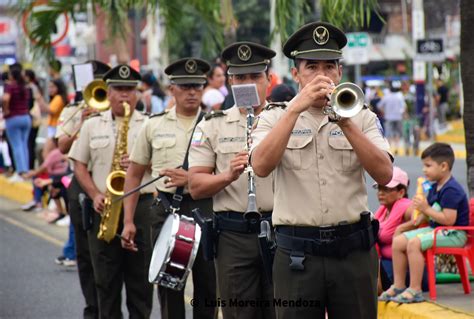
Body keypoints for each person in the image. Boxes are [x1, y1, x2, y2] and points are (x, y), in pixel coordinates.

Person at [251, 22, 393, 319]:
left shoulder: (362, 116)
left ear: (340, 72)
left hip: (352, 252)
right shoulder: (273, 117)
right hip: (297, 256)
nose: (322, 76)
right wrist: (294, 109)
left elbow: (385, 175)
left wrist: (345, 122)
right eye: (311, 67)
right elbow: (261, 166)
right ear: (296, 75)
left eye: (329, 67)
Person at [121, 57, 217, 319]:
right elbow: (134, 174)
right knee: (168, 287)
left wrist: (192, 178)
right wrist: (128, 220)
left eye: (197, 86)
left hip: (205, 208)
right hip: (166, 210)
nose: (192, 92)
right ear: (172, 88)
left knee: (209, 286)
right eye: (185, 86)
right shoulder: (154, 124)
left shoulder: (214, 123)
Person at [188, 42, 276, 319]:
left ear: (268, 79)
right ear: (229, 81)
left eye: (254, 76)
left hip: (281, 230)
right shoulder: (211, 124)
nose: (247, 83)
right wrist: (228, 175)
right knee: (239, 313)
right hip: (234, 236)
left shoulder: (285, 118)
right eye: (239, 77)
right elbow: (196, 186)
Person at [69, 64, 155, 318]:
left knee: (140, 281)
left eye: (130, 89)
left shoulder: (150, 124)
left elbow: (163, 165)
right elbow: (79, 165)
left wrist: (142, 164)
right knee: (105, 281)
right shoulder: (91, 125)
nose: (124, 95)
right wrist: (95, 193)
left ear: (137, 93)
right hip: (104, 205)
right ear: (108, 92)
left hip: (140, 207)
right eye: (119, 89)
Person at [55, 59, 110, 319]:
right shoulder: (73, 110)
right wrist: (83, 121)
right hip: (82, 181)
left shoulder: (118, 109)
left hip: (113, 181)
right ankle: (93, 308)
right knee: (86, 253)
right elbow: (62, 147)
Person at [380, 143, 469, 303]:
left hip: (454, 233)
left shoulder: (451, 190)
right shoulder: (435, 187)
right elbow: (427, 216)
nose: (424, 170)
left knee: (414, 243)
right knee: (399, 241)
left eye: (428, 166)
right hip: (437, 230)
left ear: (443, 166)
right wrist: (418, 214)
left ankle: (415, 289)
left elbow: (449, 220)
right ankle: (398, 285)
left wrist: (425, 209)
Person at [372, 166, 412, 293]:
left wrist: (404, 227)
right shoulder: (384, 210)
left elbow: (420, 215)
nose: (381, 192)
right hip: (386, 264)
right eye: (379, 188)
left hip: (402, 268)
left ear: (401, 192)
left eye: (387, 189)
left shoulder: (404, 205)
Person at [2, 63, 32, 182]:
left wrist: (6, 110)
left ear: (12, 76)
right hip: (25, 117)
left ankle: (21, 172)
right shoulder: (24, 87)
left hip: (13, 118)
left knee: (16, 145)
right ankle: (27, 170)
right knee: (24, 145)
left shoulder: (10, 87)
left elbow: (5, 99)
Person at [377, 83, 406, 154]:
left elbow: (379, 106)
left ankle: (389, 148)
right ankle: (397, 147)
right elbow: (404, 107)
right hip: (398, 117)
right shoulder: (400, 96)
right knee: (397, 133)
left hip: (388, 117)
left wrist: (384, 112)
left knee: (388, 133)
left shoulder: (386, 97)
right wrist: (402, 113)